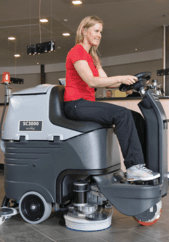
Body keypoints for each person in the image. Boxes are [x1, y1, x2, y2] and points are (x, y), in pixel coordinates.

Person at [63, 15, 160, 181]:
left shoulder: (93, 58)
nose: (99, 35)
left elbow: (107, 83)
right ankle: (133, 168)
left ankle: (144, 167)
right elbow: (92, 81)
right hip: (75, 104)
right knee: (122, 115)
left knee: (135, 117)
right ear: (84, 31)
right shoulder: (76, 52)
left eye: (101, 32)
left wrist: (130, 85)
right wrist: (121, 78)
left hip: (86, 104)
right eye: (96, 31)